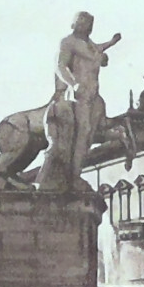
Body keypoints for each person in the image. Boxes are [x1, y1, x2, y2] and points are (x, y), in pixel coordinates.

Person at [38, 12, 122, 191]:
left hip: (93, 94)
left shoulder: (90, 44)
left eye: (89, 23)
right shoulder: (68, 42)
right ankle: (74, 176)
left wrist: (112, 42)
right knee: (84, 131)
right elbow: (60, 66)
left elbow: (99, 48)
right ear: (75, 23)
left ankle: (76, 173)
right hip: (79, 94)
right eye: (83, 23)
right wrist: (73, 83)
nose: (87, 26)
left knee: (91, 132)